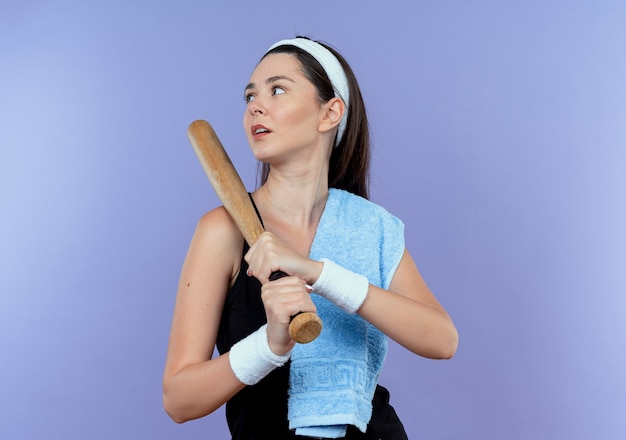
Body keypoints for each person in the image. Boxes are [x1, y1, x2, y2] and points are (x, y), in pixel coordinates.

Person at [162, 36, 458, 439]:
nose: (256, 106)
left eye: (277, 89)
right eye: (250, 96)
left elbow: (442, 340)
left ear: (329, 112)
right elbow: (179, 400)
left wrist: (320, 274)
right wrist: (269, 346)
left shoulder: (371, 227)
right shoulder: (223, 229)